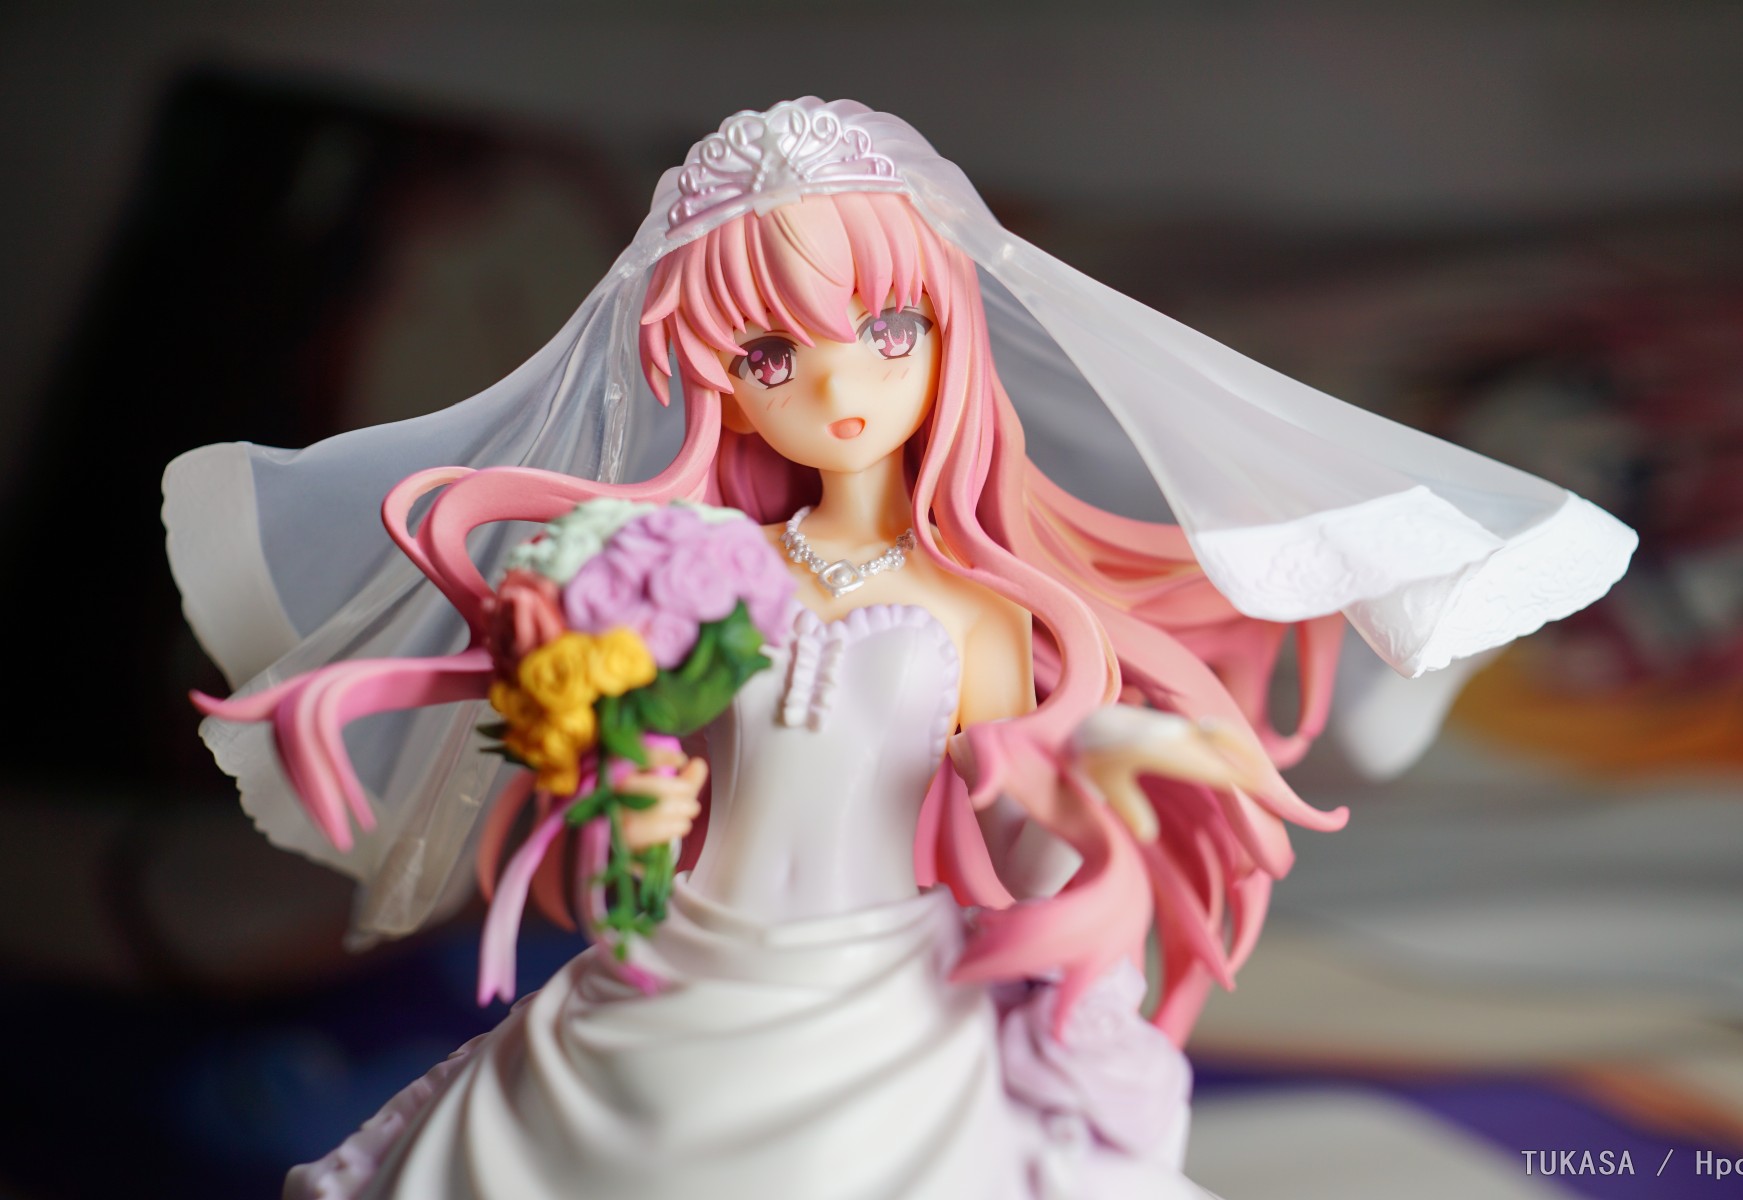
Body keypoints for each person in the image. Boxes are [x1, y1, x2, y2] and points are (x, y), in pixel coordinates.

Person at [164, 99, 1636, 1200]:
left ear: (948, 334)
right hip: (673, 978)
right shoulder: (693, 573)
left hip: (883, 998)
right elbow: (621, 832)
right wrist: (629, 811)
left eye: (886, 328)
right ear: (716, 377)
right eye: (772, 354)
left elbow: (1012, 811)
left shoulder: (981, 612)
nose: (839, 387)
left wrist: (1100, 791)